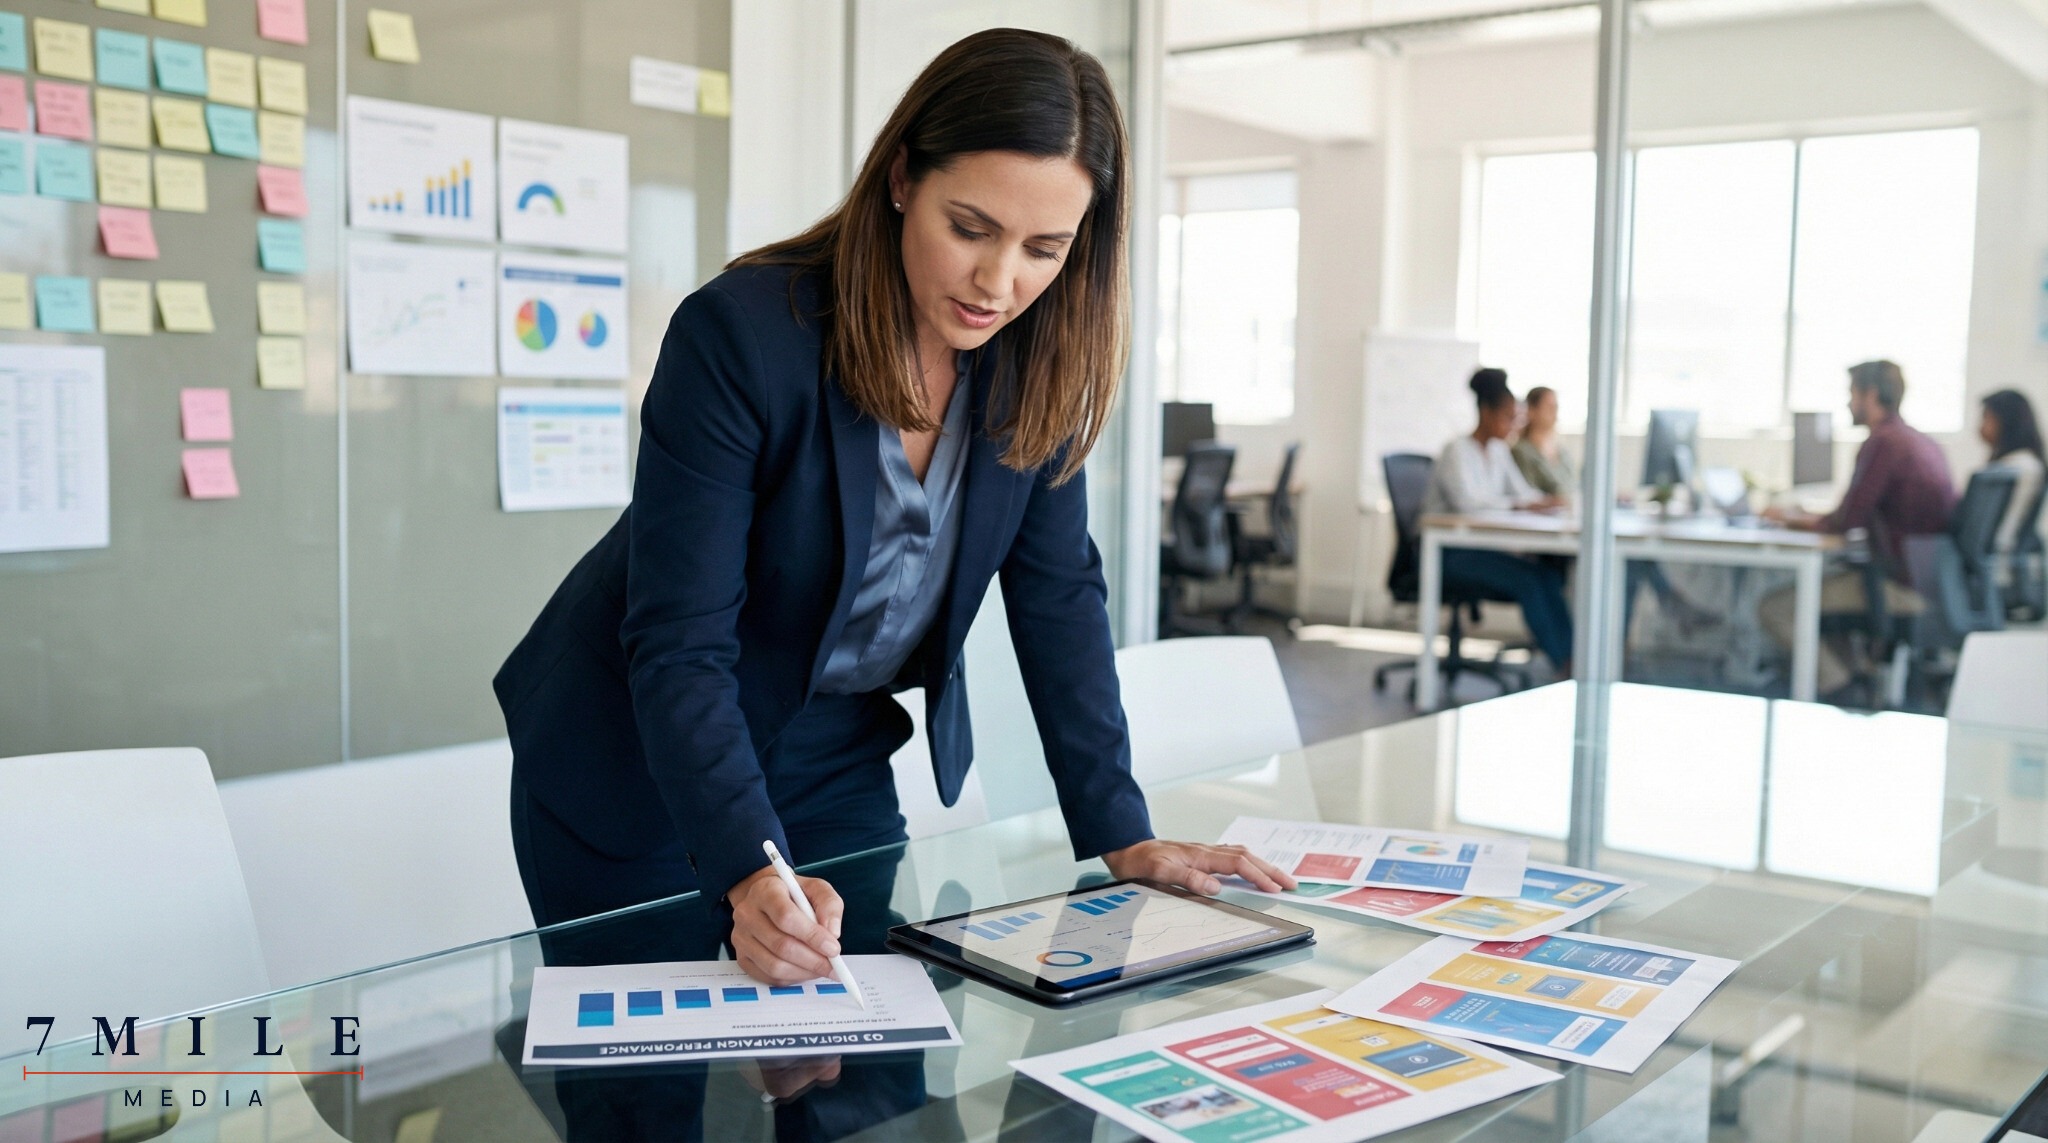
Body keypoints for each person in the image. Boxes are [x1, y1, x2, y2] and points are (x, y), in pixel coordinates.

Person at [495, 29, 1296, 993]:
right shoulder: (743, 337)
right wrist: (749, 869)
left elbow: (1058, 600)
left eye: (1044, 248)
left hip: (832, 750)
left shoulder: (1031, 361)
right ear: (903, 177)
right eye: (971, 227)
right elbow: (677, 643)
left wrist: (1120, 832)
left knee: (875, 1070)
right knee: (648, 1096)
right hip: (636, 753)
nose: (999, 283)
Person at [1761, 360, 1956, 698]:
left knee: (1774, 607)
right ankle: (1856, 677)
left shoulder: (1884, 443)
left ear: (1870, 394)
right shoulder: (1920, 441)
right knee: (1820, 591)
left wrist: (1791, 518)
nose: (1848, 403)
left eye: (1851, 394)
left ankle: (1842, 687)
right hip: (1929, 579)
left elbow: (1846, 520)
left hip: (1897, 584)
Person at [1423, 368, 1573, 674]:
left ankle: (1575, 659)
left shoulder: (1498, 451)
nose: (1512, 424)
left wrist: (1541, 502)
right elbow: (1467, 504)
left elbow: (1522, 493)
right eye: (1507, 416)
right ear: (1485, 412)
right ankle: (1565, 665)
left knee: (1546, 576)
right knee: (1529, 581)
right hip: (1449, 554)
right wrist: (1518, 505)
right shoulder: (1457, 451)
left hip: (1482, 550)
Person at [1977, 388, 2045, 586]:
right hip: (1997, 559)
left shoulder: (2014, 468)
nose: (1980, 427)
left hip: (1996, 562)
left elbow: (1992, 528)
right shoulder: (2025, 463)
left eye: (1986, 418)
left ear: (2006, 422)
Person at [1510, 385, 1574, 499]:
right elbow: (1527, 494)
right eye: (1549, 407)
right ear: (1531, 410)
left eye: (1556, 407)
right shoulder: (1521, 452)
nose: (1554, 413)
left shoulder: (1562, 452)